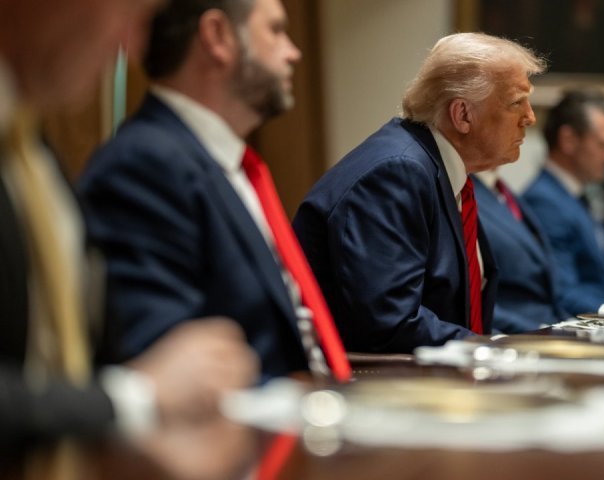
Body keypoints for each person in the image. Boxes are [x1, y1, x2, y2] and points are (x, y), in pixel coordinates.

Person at [0, 0, 259, 475]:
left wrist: (137, 440)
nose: (132, 45)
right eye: (129, 12)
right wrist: (135, 398)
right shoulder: (138, 159)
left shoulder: (34, 155)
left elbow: (74, 365)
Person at [78, 0, 351, 383]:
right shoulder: (144, 166)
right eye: (275, 30)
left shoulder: (230, 165)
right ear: (217, 36)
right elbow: (170, 377)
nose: (294, 52)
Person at [292, 33, 545, 353]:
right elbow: (390, 323)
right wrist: (493, 350)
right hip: (373, 377)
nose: (530, 117)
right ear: (463, 115)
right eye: (516, 103)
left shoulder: (436, 168)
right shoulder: (396, 174)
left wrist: (509, 346)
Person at [520, 89, 604, 317]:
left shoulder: (577, 195)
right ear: (568, 140)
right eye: (603, 145)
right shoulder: (544, 202)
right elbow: (564, 293)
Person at [472, 170, 568, 332]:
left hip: (549, 323)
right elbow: (473, 304)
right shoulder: (464, 192)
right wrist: (544, 331)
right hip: (512, 333)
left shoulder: (500, 190)